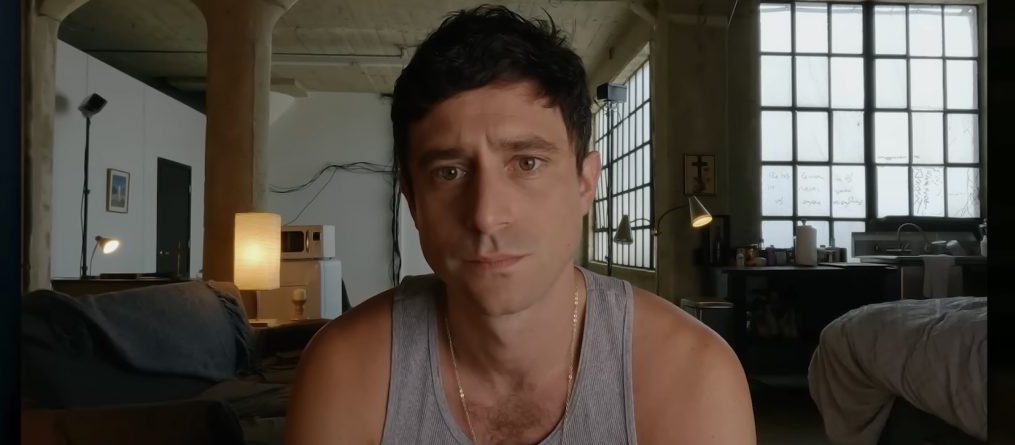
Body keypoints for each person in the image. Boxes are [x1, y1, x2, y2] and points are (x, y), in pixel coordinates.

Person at [285, 5, 755, 444]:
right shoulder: (346, 371)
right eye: (449, 172)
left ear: (585, 183)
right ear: (412, 199)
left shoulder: (691, 376)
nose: (485, 215)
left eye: (527, 163)